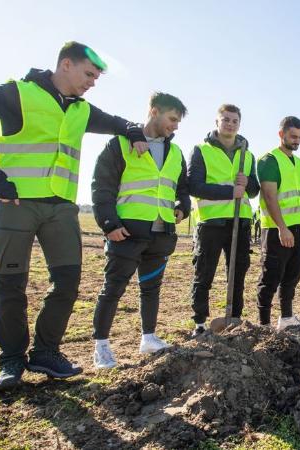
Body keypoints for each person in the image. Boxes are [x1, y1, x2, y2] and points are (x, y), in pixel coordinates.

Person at [0, 41, 149, 392]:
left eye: (97, 78)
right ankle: (11, 360)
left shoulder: (81, 110)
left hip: (62, 210)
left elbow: (119, 122)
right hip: (16, 206)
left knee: (67, 283)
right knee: (10, 286)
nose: (92, 83)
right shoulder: (15, 94)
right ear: (65, 64)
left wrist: (133, 129)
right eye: (88, 74)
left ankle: (46, 352)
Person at [90, 92, 190, 368]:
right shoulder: (120, 145)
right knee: (113, 289)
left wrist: (182, 208)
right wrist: (109, 224)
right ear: (154, 111)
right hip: (127, 232)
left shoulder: (176, 152)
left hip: (161, 234)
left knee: (151, 288)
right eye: (172, 119)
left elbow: (181, 189)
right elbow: (102, 186)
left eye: (178, 122)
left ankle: (149, 337)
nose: (175, 126)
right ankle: (101, 346)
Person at [188, 104, 259, 336]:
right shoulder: (202, 150)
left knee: (237, 273)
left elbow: (255, 189)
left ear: (239, 124)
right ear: (217, 122)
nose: (230, 124)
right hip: (211, 223)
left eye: (234, 121)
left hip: (240, 222)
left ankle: (235, 318)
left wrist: (247, 183)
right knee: (204, 273)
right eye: (225, 120)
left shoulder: (247, 155)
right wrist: (230, 192)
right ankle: (199, 322)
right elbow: (194, 186)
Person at [255, 116, 300, 330]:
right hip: (275, 231)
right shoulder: (268, 160)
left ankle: (286, 318)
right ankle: (264, 324)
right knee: (270, 277)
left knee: (292, 275)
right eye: (293, 136)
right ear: (281, 134)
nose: (297, 141)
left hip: (297, 229)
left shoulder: (299, 163)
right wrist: (282, 228)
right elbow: (270, 196)